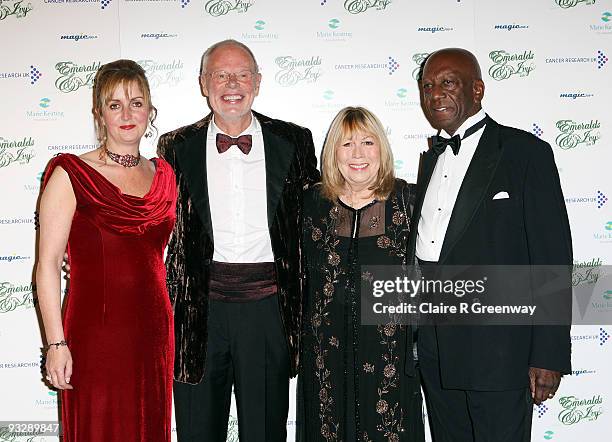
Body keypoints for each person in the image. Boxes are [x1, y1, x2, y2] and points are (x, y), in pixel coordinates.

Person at [157, 39, 320, 441]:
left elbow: (322, 211)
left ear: (258, 82)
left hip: (268, 312)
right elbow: (153, 215)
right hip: (199, 314)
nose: (232, 83)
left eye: (242, 74)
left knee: (265, 431)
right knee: (197, 430)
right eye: (221, 74)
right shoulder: (175, 147)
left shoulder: (294, 141)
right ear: (203, 83)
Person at [408, 48, 572, 441]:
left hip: (500, 353)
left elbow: (552, 257)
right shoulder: (430, 160)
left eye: (448, 83)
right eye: (427, 86)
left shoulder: (524, 152)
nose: (435, 94)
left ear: (477, 89)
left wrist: (547, 355)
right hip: (435, 352)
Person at [37, 59, 177, 441]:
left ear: (150, 111)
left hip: (153, 333)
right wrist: (55, 343)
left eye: (136, 102)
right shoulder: (71, 174)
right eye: (115, 105)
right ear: (99, 114)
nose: (127, 114)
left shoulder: (164, 175)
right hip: (95, 334)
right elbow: (48, 264)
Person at [298, 107, 424, 442]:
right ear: (333, 152)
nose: (358, 154)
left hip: (390, 360)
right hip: (325, 360)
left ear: (381, 149)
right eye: (347, 144)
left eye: (368, 142)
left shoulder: (409, 201)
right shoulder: (311, 203)